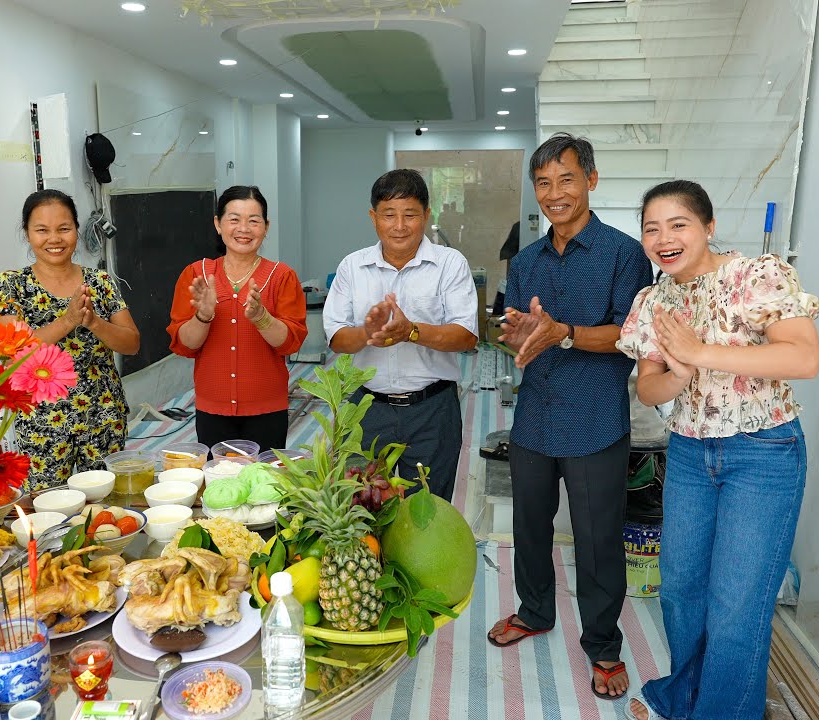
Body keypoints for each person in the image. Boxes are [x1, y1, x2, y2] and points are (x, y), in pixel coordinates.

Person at [618, 181, 819, 720]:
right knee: (681, 590)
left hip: (764, 454)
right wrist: (680, 372)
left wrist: (700, 350)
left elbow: (803, 357)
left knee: (735, 607)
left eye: (678, 224)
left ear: (708, 226)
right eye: (652, 228)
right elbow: (649, 388)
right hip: (688, 452)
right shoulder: (654, 299)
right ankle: (689, 697)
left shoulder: (758, 275)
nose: (664, 238)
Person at [485, 133, 653, 702]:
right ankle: (535, 611)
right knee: (529, 527)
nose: (554, 194)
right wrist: (516, 335)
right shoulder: (527, 259)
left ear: (591, 180)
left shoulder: (624, 254)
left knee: (597, 538)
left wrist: (565, 334)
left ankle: (603, 645)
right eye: (543, 183)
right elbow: (520, 333)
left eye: (566, 179)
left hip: (595, 420)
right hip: (534, 416)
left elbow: (632, 337)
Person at [322, 169, 478, 501]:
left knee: (428, 512)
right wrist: (367, 331)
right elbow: (336, 339)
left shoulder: (450, 264)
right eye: (389, 215)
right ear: (373, 217)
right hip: (367, 409)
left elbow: (466, 337)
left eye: (410, 215)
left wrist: (412, 332)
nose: (400, 225)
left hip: (432, 410)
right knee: (360, 510)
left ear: (426, 215)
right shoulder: (353, 267)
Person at [0, 189, 141, 491]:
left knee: (104, 507)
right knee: (47, 510)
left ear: (76, 229)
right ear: (27, 233)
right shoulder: (12, 285)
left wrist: (93, 322)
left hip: (102, 413)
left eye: (64, 228)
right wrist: (68, 321)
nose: (55, 239)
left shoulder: (99, 282)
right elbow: (14, 353)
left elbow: (132, 343)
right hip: (41, 422)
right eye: (42, 230)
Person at [167, 186, 307, 452]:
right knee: (220, 486)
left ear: (266, 227)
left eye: (254, 221)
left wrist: (262, 318)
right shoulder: (197, 274)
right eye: (234, 219)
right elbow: (186, 344)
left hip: (268, 408)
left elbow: (290, 343)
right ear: (218, 224)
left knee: (265, 487)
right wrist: (203, 316)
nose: (244, 228)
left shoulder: (281, 276)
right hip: (212, 407)